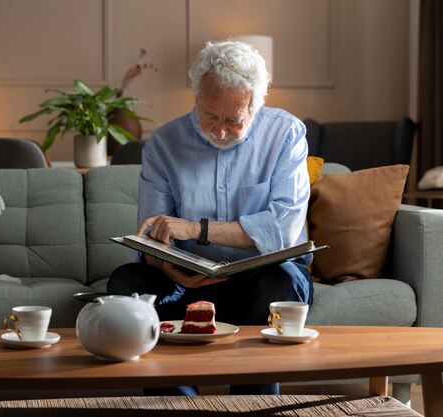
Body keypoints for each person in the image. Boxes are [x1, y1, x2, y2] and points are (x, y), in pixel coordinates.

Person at [107, 39, 313, 396]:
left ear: (257, 104)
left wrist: (195, 228)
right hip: (187, 285)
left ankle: (253, 404)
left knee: (282, 283)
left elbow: (282, 228)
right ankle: (179, 403)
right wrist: (164, 264)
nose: (219, 131)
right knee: (126, 283)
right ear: (197, 97)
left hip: (262, 279)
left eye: (233, 120)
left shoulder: (286, 134)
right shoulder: (163, 144)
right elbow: (151, 232)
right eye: (209, 115)